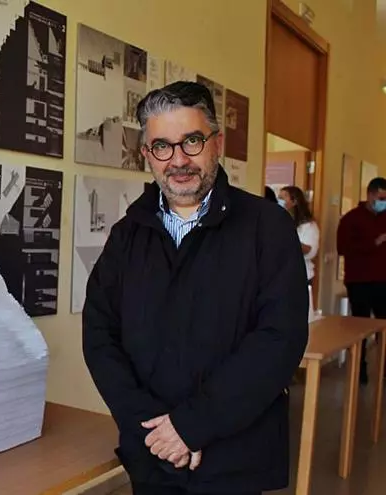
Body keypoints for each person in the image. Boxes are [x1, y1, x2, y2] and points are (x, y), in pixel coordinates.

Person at [82, 81, 309, 495]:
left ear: (216, 143)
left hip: (234, 461)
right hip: (151, 455)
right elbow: (99, 334)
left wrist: (190, 426)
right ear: (146, 154)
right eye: (162, 146)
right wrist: (152, 429)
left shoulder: (267, 227)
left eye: (192, 141)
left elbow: (280, 339)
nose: (179, 160)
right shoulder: (127, 235)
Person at [336, 177, 386, 385]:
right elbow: (342, 248)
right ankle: (359, 370)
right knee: (360, 327)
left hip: (383, 281)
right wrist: (374, 242)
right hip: (359, 281)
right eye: (381, 198)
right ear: (370, 194)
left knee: (384, 327)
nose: (383, 202)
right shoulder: (351, 219)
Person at [278, 186, 320, 285]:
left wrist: (288, 239)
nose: (280, 200)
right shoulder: (278, 221)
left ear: (295, 201)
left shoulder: (309, 226)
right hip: (279, 275)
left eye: (283, 197)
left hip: (300, 275)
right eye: (279, 197)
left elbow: (310, 251)